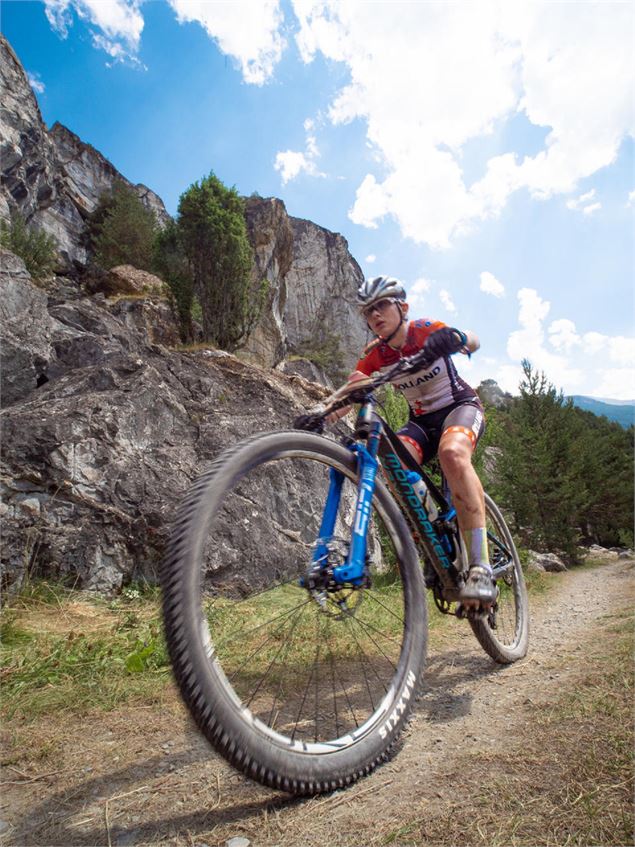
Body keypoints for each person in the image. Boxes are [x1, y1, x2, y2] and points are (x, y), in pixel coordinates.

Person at [333, 275, 495, 611]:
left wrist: (457, 337)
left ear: (402, 307)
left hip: (459, 409)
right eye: (368, 311)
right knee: (391, 465)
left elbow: (473, 342)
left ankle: (481, 567)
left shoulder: (424, 329)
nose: (375, 315)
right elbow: (351, 391)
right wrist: (321, 412)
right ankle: (433, 541)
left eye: (381, 305)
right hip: (421, 423)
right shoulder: (375, 355)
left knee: (451, 453)